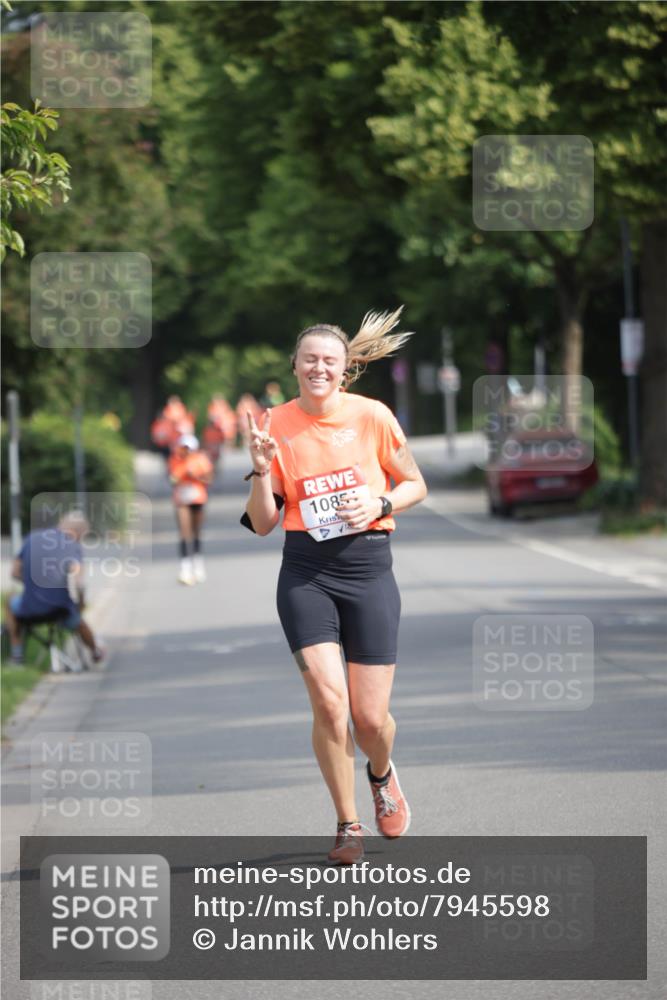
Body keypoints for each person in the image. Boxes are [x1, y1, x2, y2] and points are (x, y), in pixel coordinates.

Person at [242, 307, 427, 865]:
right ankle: (348, 824)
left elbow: (416, 483)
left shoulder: (372, 416)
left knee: (370, 720)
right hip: (306, 573)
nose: (319, 368)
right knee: (329, 703)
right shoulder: (273, 424)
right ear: (295, 366)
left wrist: (381, 502)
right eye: (310, 360)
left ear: (343, 370)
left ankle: (381, 771)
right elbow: (265, 521)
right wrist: (258, 469)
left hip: (368, 569)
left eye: (330, 361)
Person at [4, 510, 105, 666]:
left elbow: (14, 572)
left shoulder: (33, 537)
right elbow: (78, 584)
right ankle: (95, 652)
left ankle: (17, 654)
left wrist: (33, 585)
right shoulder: (74, 546)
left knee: (10, 600)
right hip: (60, 611)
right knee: (77, 619)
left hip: (28, 608)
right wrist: (80, 606)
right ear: (78, 533)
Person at [168, 434, 214, 585]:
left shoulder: (201, 459)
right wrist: (178, 478)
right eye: (183, 448)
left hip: (198, 497)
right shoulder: (175, 460)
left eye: (188, 448)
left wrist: (195, 476)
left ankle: (198, 564)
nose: (186, 451)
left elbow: (209, 479)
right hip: (181, 498)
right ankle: (184, 568)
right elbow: (172, 479)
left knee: (196, 532)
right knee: (184, 532)